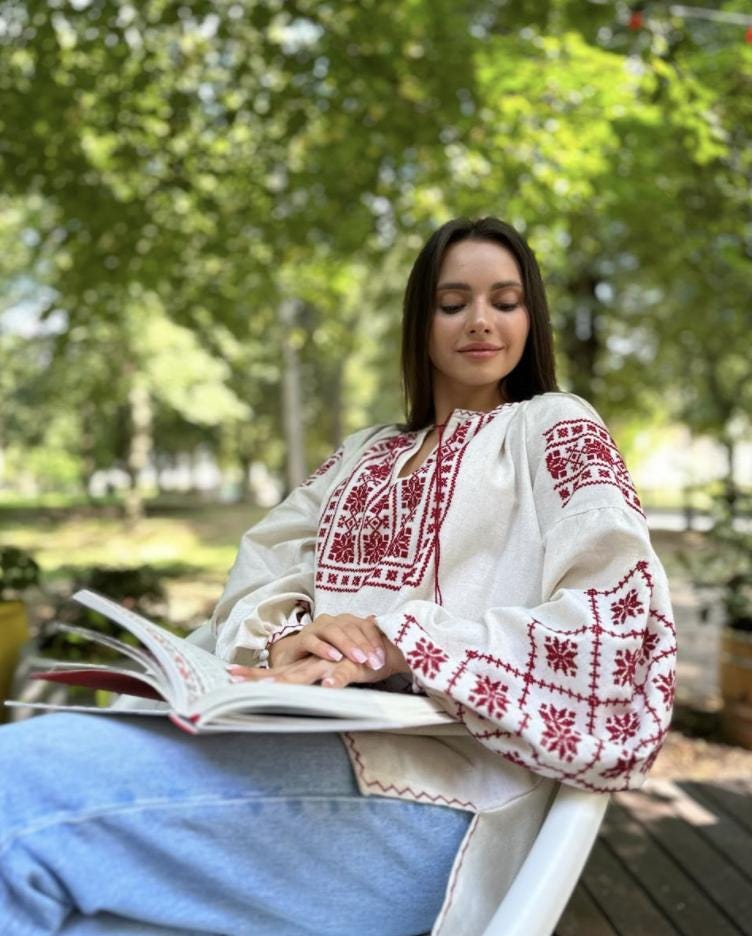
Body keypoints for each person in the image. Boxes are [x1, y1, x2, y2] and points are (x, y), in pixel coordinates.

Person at [0, 217, 676, 936]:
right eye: (453, 303)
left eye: (505, 302)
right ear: (419, 323)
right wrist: (290, 637)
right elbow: (262, 568)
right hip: (289, 746)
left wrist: (396, 644)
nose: (481, 320)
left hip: (440, 791)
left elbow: (620, 625)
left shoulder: (557, 428)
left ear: (530, 318)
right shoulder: (364, 454)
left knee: (19, 787)